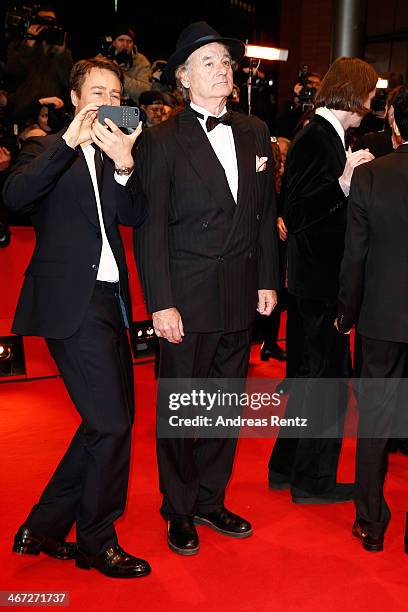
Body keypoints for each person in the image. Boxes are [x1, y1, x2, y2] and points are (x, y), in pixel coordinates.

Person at [135, 21, 278, 555]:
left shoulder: (256, 130)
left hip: (240, 290)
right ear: (184, 78)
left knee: (222, 405)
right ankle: (178, 507)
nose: (224, 70)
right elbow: (151, 230)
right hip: (186, 296)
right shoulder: (162, 139)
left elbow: (264, 215)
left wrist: (267, 278)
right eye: (210, 62)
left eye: (226, 62)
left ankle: (210, 499)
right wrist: (161, 303)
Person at [3, 57, 150, 579]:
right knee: (112, 425)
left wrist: (127, 164)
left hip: (114, 303)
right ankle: (96, 539)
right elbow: (14, 197)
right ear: (74, 97)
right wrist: (68, 140)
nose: (106, 101)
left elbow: (134, 216)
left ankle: (41, 527)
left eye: (114, 93)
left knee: (102, 423)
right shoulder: (46, 147)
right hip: (71, 305)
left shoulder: (116, 154)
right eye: (96, 92)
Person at [267, 57, 377, 504]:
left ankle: (285, 466)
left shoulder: (326, 135)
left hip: (314, 281)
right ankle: (313, 480)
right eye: (369, 92)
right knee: (327, 382)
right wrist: (344, 183)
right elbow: (296, 213)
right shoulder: (317, 137)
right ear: (353, 93)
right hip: (318, 283)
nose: (372, 101)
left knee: (312, 377)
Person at [336, 86, 408, 552]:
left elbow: (354, 257)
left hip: (382, 317)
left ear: (395, 125)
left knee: (376, 420)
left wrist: (347, 311)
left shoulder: (372, 176)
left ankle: (371, 521)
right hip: (384, 316)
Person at [104, 23, 151, 104]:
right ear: (114, 42)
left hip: (132, 106)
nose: (125, 45)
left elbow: (145, 91)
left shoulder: (141, 61)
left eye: (129, 41)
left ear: (133, 44)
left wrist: (119, 73)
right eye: (121, 40)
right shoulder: (103, 59)